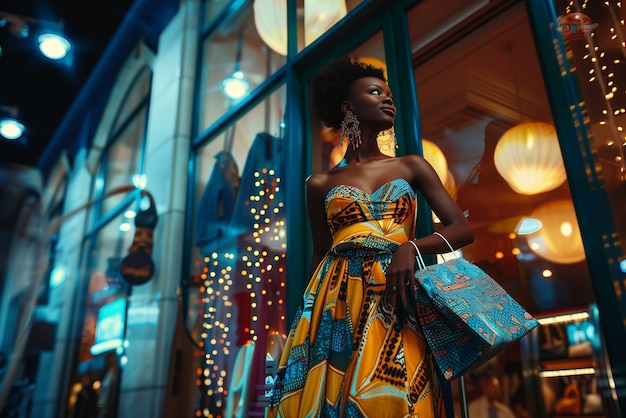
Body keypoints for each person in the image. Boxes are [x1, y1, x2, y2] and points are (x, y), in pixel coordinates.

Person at [265, 56, 474, 418]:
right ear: (348, 107)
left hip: (398, 294)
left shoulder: (412, 166)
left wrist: (411, 246)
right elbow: (320, 254)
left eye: (389, 94)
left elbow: (461, 229)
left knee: (399, 391)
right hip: (334, 300)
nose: (388, 99)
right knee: (334, 391)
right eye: (376, 92)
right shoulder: (319, 184)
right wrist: (304, 322)